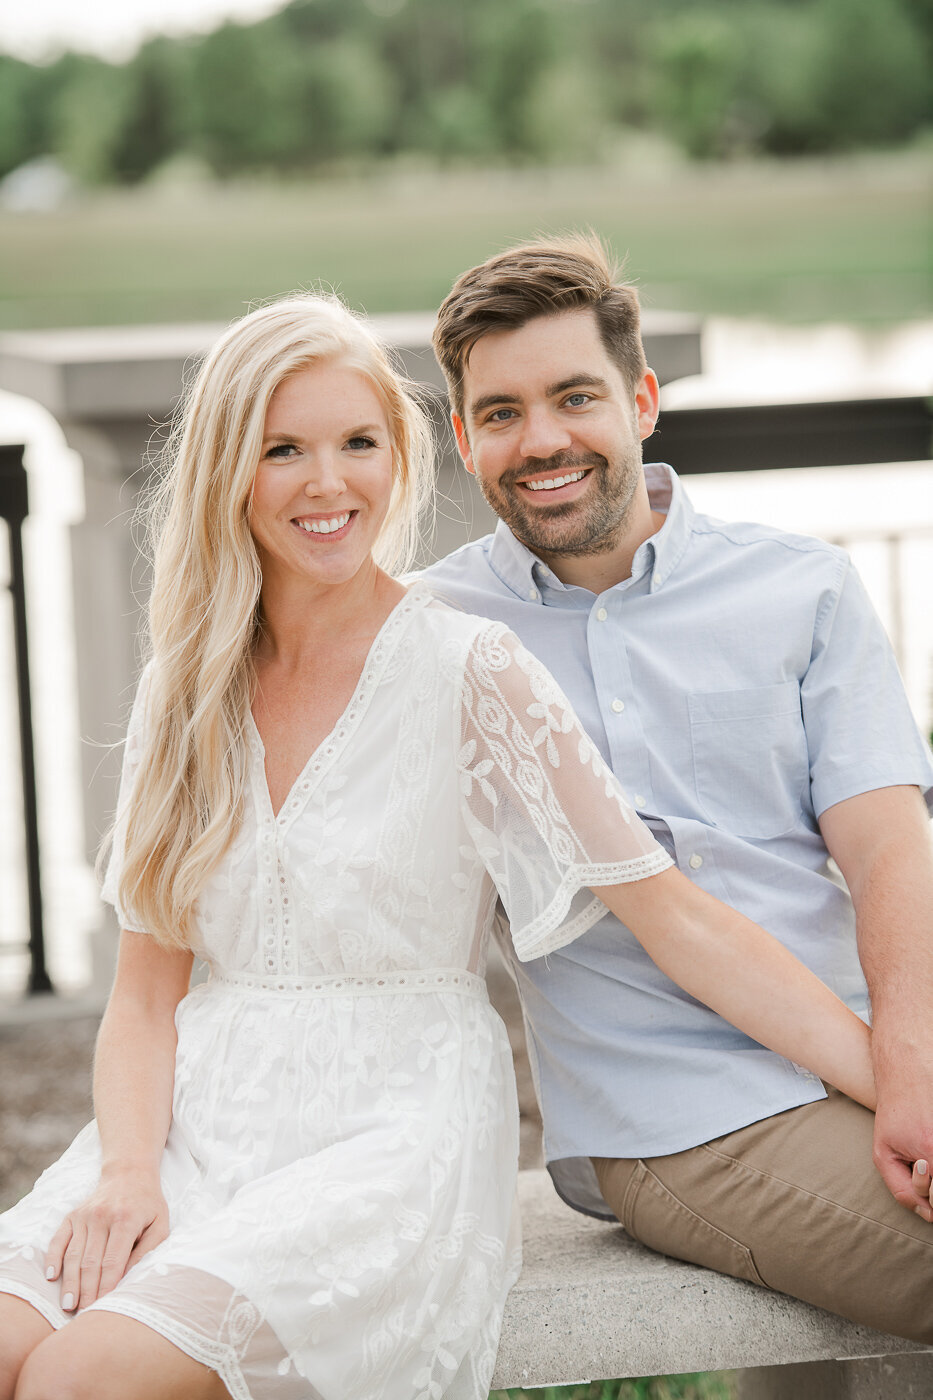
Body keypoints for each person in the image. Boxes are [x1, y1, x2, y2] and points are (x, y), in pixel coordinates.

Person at [0, 293, 884, 1400]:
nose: (330, 484)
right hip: (190, 1119)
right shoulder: (185, 692)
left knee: (83, 1378)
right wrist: (127, 1171)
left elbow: (680, 920)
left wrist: (894, 1078)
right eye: (285, 449)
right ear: (230, 468)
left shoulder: (473, 668)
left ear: (402, 455)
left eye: (358, 442)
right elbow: (141, 998)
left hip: (387, 1128)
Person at [422, 233, 933, 1344]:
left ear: (642, 398)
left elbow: (890, 849)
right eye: (501, 412)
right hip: (679, 1115)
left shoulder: (803, 585)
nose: (542, 439)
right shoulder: (429, 639)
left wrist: (908, 1062)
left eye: (574, 396)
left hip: (881, 1035)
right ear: (463, 438)